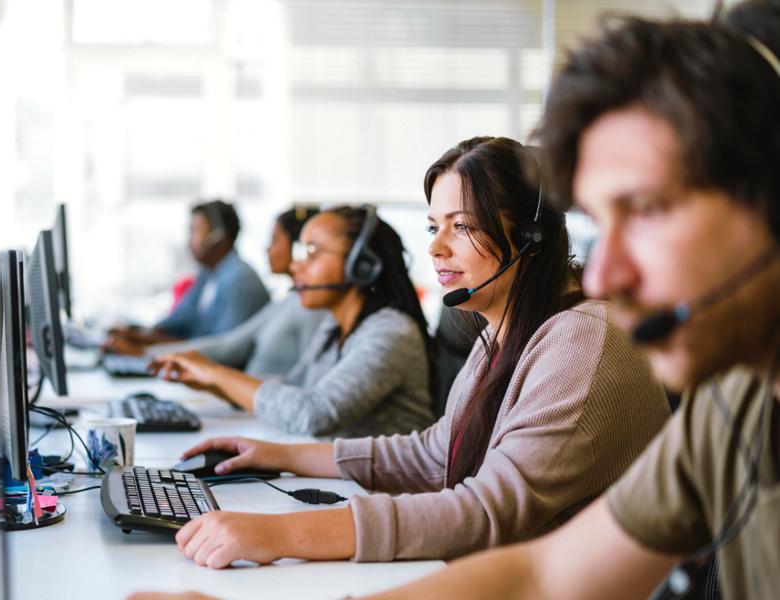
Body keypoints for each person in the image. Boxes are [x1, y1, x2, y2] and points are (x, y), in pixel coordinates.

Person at [307, 15, 779, 600]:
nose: (604, 273)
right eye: (603, 223)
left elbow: (493, 518)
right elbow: (544, 573)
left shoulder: (588, 338)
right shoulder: (731, 406)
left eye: (649, 209)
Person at [138, 137, 669, 575]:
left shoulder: (583, 340)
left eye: (461, 226)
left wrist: (278, 534)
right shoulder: (504, 333)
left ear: (530, 237)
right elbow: (434, 456)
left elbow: (487, 510)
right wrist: (280, 454)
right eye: (433, 227)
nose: (437, 247)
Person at [151, 205, 436, 438]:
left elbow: (313, 414)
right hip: (343, 484)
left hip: (383, 496)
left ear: (362, 265)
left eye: (312, 253)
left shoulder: (390, 332)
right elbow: (293, 385)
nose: (296, 265)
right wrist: (209, 382)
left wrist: (216, 374)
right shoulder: (335, 327)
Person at [145, 207, 325, 378]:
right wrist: (148, 348)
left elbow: (228, 350)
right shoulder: (288, 300)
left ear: (298, 249)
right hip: (249, 399)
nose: (267, 248)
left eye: (274, 240)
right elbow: (183, 324)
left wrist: (148, 352)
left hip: (253, 402)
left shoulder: (242, 280)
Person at [104, 200, 270, 354]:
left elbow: (221, 350)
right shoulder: (208, 273)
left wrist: (143, 351)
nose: (188, 241)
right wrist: (133, 334)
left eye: (194, 231)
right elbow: (175, 324)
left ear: (218, 236)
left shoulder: (239, 280)